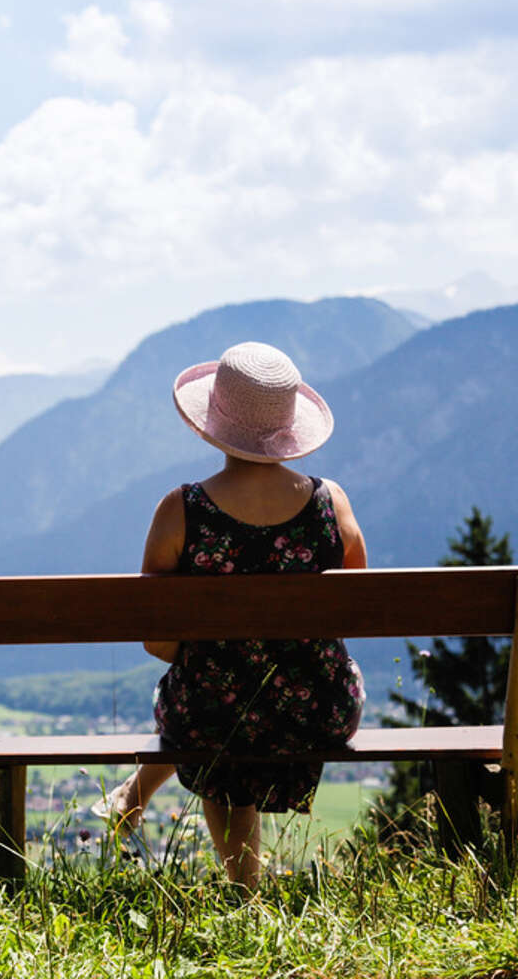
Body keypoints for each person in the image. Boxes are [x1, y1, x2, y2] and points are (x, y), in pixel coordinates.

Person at [94, 341, 367, 888]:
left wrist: (217, 656)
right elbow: (356, 610)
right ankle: (136, 797)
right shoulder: (329, 503)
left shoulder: (183, 511)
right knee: (228, 700)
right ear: (290, 426)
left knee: (209, 702)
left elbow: (157, 640)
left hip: (213, 715)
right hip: (318, 709)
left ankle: (245, 893)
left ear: (212, 422)